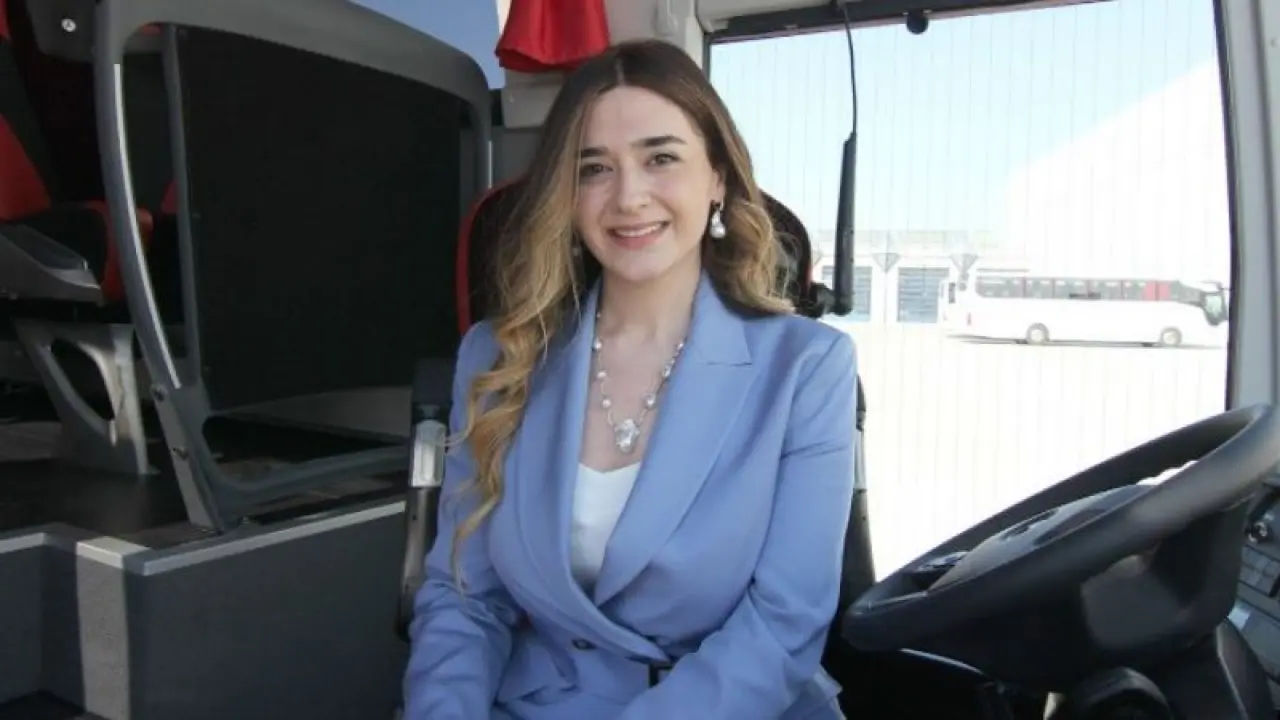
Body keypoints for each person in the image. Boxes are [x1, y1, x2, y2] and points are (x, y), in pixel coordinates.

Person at [403, 38, 858, 720]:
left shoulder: (807, 367)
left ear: (718, 177)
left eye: (661, 158)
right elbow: (465, 600)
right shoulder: (498, 356)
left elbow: (781, 626)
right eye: (594, 168)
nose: (628, 197)